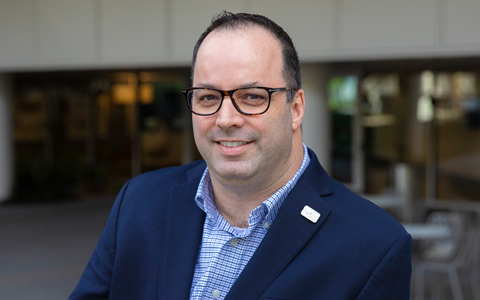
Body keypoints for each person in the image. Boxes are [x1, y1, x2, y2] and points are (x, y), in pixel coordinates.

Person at [70, 11, 412, 300]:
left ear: (296, 108)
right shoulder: (140, 201)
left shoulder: (374, 246)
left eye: (251, 97)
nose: (226, 119)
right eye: (207, 97)